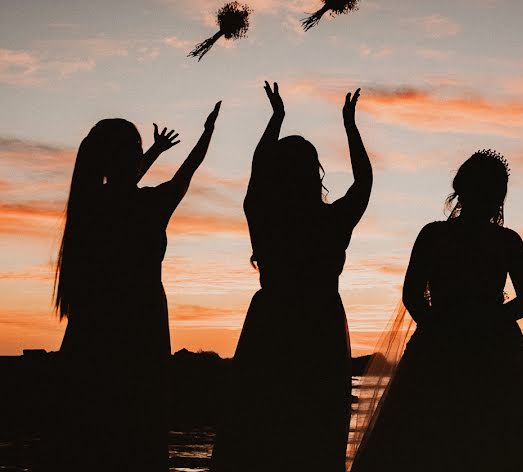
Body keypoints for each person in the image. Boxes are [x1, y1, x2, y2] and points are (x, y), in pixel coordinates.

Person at [351, 150, 523, 472]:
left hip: (473, 345)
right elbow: (412, 294)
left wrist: (457, 326)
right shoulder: (469, 237)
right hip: (464, 344)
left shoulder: (451, 236)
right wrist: (456, 328)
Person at [45, 105, 221, 471]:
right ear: (128, 156)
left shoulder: (89, 206)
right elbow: (187, 172)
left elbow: (124, 180)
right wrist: (208, 132)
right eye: (136, 147)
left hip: (91, 331)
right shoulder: (149, 204)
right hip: (141, 327)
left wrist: (153, 151)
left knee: (93, 437)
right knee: (137, 433)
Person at [212, 82, 372, 471]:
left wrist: (275, 118)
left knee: (258, 422)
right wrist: (350, 126)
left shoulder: (263, 215)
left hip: (271, 323)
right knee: (316, 427)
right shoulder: (332, 220)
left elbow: (257, 167)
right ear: (313, 172)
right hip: (320, 326)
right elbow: (364, 181)